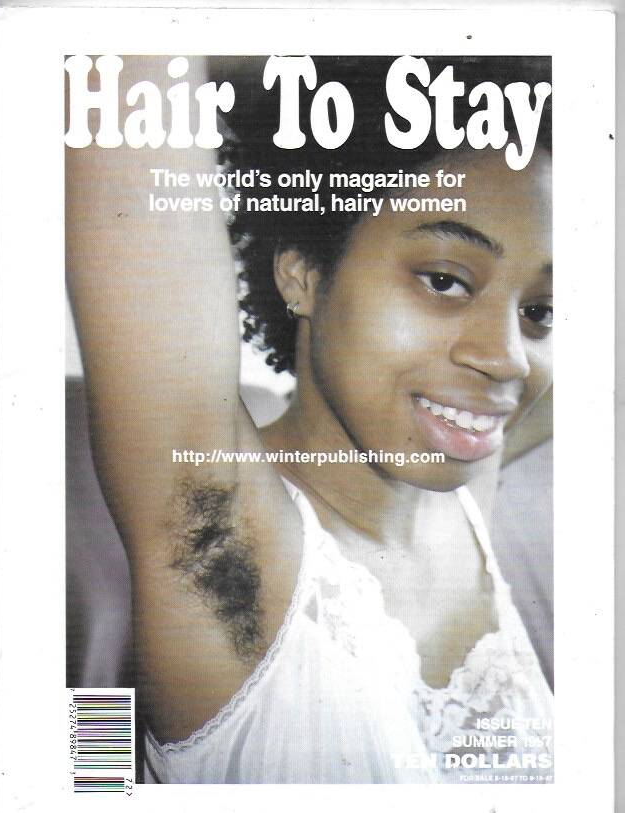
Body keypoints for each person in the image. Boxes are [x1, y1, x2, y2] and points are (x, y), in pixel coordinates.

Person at [66, 55, 553, 783]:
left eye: (540, 310)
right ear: (303, 274)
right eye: (445, 280)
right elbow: (124, 68)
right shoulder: (225, 538)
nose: (509, 358)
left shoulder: (464, 481)